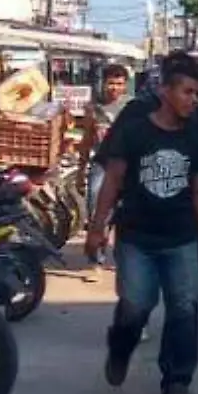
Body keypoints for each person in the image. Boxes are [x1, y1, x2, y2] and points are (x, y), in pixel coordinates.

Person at [86, 58, 198, 394]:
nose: (193, 100)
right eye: (187, 92)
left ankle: (177, 380)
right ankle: (120, 347)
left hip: (181, 237)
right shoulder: (135, 130)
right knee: (135, 307)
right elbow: (112, 180)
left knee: (184, 309)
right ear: (166, 92)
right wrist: (97, 229)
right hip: (136, 237)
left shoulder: (195, 135)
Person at [83, 65, 135, 269]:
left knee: (126, 212)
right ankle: (96, 259)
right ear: (104, 84)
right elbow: (87, 139)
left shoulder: (133, 107)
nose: (114, 87)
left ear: (125, 85)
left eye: (119, 83)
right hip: (101, 164)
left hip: (128, 166)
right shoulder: (94, 108)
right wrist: (81, 169)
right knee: (96, 206)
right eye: (111, 83)